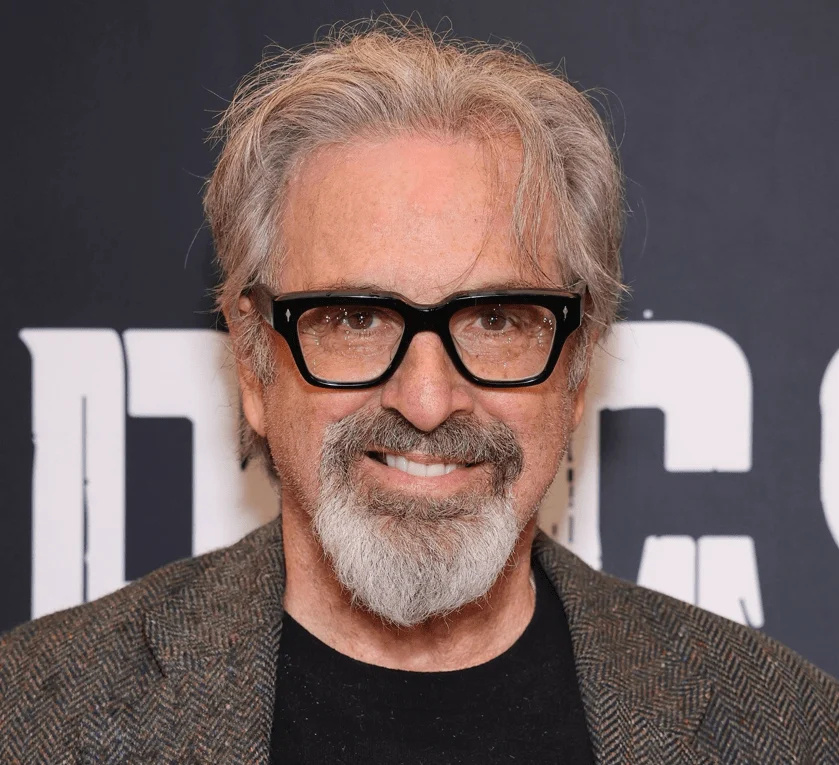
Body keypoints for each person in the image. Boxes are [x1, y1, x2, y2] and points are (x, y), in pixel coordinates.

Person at [1, 17, 837, 764]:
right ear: (253, 363)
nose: (428, 401)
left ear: (577, 364)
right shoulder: (33, 718)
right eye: (355, 318)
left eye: (496, 320)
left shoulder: (789, 731)